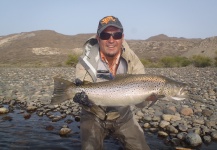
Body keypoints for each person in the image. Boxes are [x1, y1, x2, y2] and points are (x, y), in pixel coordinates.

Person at [74, 16, 150, 150]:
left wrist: (147, 98)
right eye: (105, 35)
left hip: (123, 115)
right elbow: (83, 86)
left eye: (117, 35)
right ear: (98, 38)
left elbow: (141, 103)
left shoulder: (132, 60)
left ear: (122, 37)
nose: (111, 40)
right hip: (93, 114)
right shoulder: (86, 60)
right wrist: (81, 98)